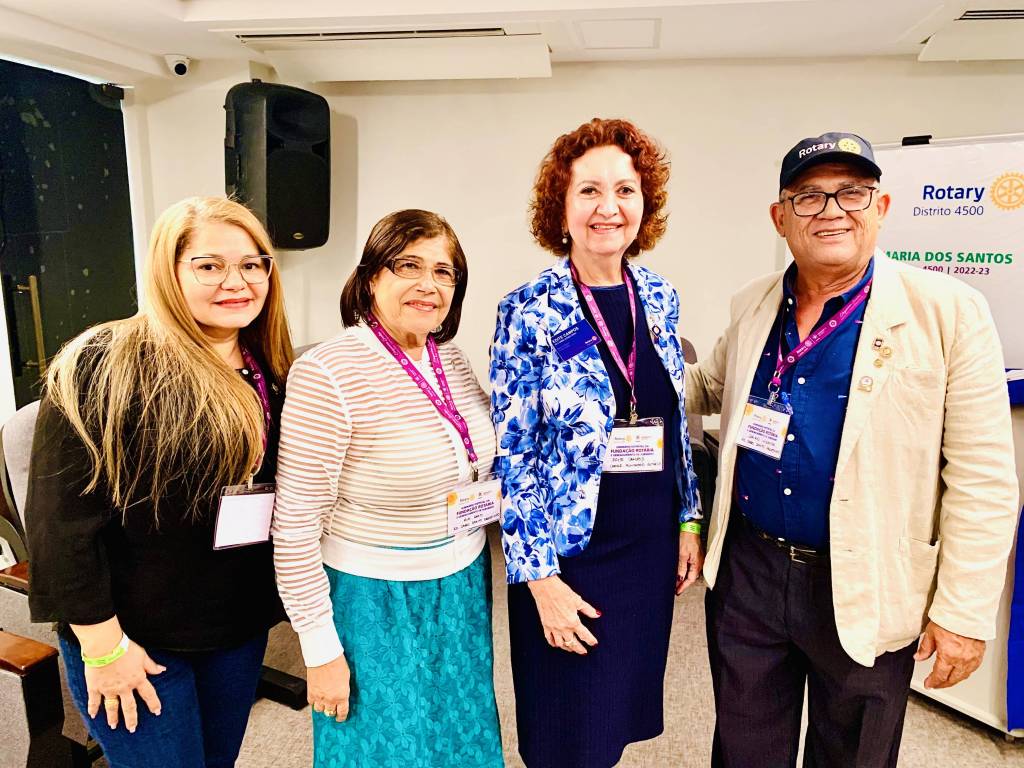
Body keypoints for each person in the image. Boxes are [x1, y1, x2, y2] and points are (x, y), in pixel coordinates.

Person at [686, 132, 1019, 767]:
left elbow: (983, 480)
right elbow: (707, 387)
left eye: (851, 193)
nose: (832, 211)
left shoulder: (950, 313)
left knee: (854, 754)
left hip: (867, 575)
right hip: (750, 574)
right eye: (809, 197)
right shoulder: (754, 304)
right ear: (780, 217)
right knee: (744, 749)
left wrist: (962, 614)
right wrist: (615, 364)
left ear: (881, 207)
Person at [27, 196, 293, 767]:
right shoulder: (101, 365)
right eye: (209, 265)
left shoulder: (271, 367)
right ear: (168, 272)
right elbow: (60, 525)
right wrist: (102, 649)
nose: (237, 281)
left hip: (234, 627)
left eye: (252, 264)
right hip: (134, 638)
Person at [489, 117, 703, 768]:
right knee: (567, 734)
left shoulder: (660, 297)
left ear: (645, 204)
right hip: (571, 557)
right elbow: (514, 454)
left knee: (611, 726)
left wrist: (688, 520)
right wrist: (539, 579)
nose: (608, 207)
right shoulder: (528, 308)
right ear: (560, 206)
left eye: (625, 190)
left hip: (647, 548)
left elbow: (674, 424)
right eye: (588, 190)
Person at [272, 209, 503, 768]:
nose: (429, 284)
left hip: (461, 584)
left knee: (458, 742)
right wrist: (320, 649)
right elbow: (295, 529)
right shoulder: (327, 372)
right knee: (383, 751)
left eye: (444, 272)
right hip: (372, 598)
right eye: (409, 266)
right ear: (372, 277)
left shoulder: (449, 356)